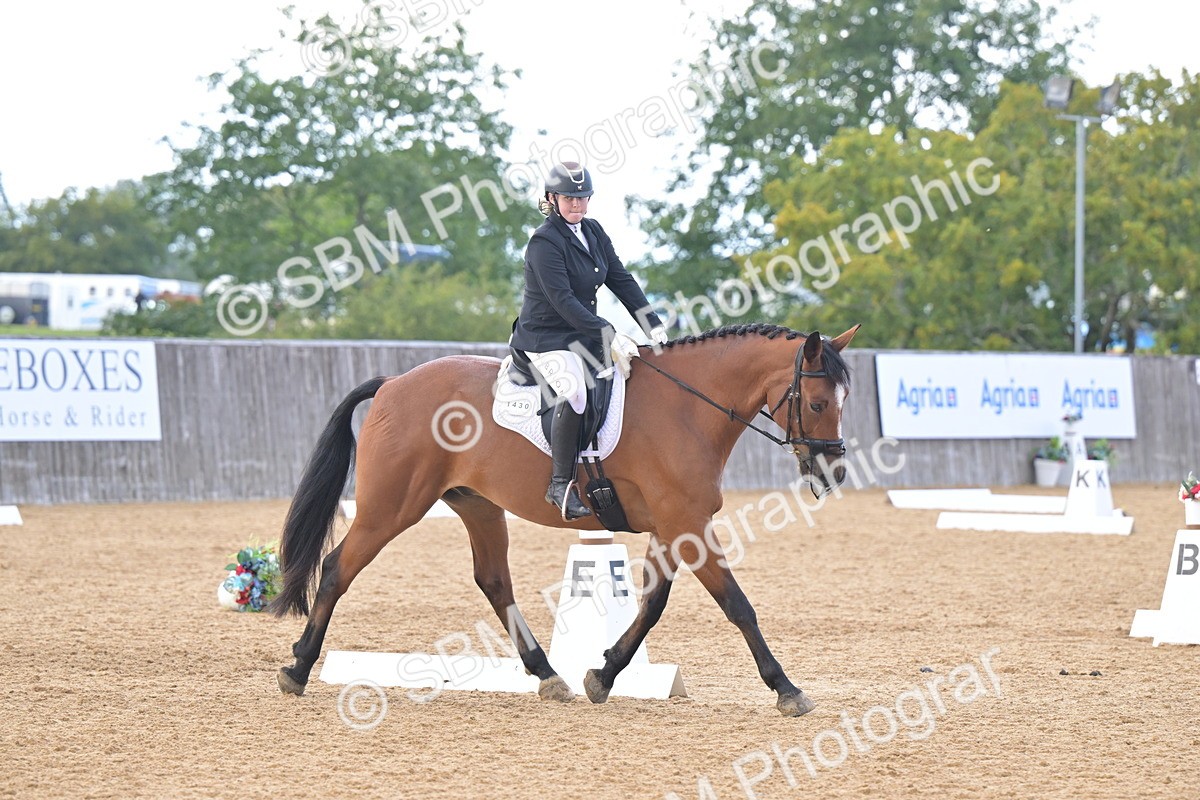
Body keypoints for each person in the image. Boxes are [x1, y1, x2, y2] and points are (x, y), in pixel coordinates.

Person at [510, 162, 668, 519]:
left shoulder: (593, 231)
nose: (577, 206)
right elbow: (563, 301)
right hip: (544, 338)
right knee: (575, 391)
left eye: (583, 199)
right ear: (552, 198)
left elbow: (620, 277)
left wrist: (651, 323)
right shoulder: (543, 242)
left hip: (581, 333)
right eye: (569, 199)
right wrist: (608, 333)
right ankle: (559, 485)